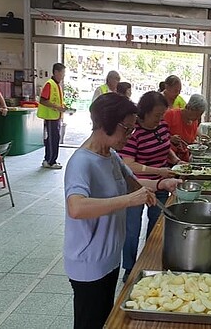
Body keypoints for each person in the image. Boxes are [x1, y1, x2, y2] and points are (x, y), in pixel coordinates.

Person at [64, 93, 180, 329]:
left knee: (105, 318)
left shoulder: (111, 155)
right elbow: (76, 207)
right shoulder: (81, 162)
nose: (130, 136)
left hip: (109, 256)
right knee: (90, 321)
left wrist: (161, 184)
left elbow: (134, 184)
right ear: (106, 124)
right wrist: (128, 200)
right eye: (126, 130)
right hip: (89, 260)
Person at [119, 91, 181, 283]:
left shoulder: (161, 126)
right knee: (132, 228)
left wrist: (175, 159)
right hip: (136, 184)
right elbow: (128, 164)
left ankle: (150, 262)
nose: (160, 119)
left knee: (157, 225)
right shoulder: (133, 132)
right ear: (143, 112)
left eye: (162, 115)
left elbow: (164, 146)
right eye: (156, 115)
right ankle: (129, 268)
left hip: (162, 184)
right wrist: (157, 170)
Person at [38, 63, 67, 169]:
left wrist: (63, 107)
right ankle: (49, 161)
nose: (63, 75)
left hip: (56, 116)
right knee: (52, 139)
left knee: (55, 138)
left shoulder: (57, 85)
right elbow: (43, 100)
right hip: (50, 117)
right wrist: (57, 107)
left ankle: (51, 160)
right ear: (56, 72)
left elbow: (56, 100)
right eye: (62, 73)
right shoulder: (49, 84)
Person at [163, 94, 206, 162]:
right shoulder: (171, 115)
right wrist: (170, 138)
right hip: (169, 160)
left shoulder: (194, 121)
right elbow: (158, 135)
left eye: (200, 115)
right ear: (189, 108)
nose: (198, 118)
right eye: (197, 114)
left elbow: (191, 141)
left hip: (184, 160)